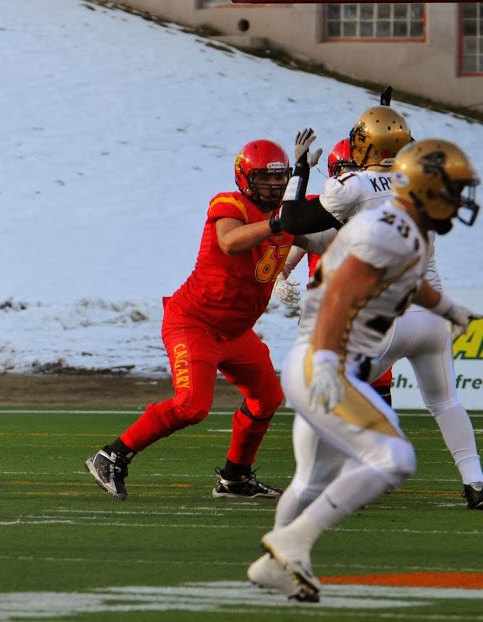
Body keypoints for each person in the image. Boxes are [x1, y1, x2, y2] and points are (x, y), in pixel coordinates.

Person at [248, 139, 480, 602]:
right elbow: (340, 293)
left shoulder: (407, 229)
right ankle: (291, 543)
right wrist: (331, 362)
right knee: (395, 459)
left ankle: (277, 566)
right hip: (325, 362)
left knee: (311, 481)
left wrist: (451, 310)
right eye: (451, 190)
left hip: (320, 360)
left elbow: (410, 284)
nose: (458, 201)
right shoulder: (389, 229)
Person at [85, 131, 319, 501]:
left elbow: (320, 237)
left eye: (279, 179)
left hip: (236, 332)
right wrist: (281, 224)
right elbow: (230, 241)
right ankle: (111, 456)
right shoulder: (230, 204)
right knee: (192, 407)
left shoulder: (284, 213)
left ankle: (235, 478)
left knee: (268, 397)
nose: (274, 187)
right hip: (193, 323)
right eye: (265, 179)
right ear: (246, 179)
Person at [278, 105, 483, 506]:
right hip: (431, 316)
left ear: (364, 144)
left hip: (387, 319)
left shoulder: (350, 186)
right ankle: (475, 482)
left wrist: (299, 169)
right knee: (445, 402)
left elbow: (290, 219)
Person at [273, 138, 395, 406]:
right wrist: (279, 277)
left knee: (376, 395)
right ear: (332, 173)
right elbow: (291, 240)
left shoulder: (381, 210)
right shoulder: (321, 209)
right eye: (344, 169)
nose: (351, 176)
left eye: (356, 168)